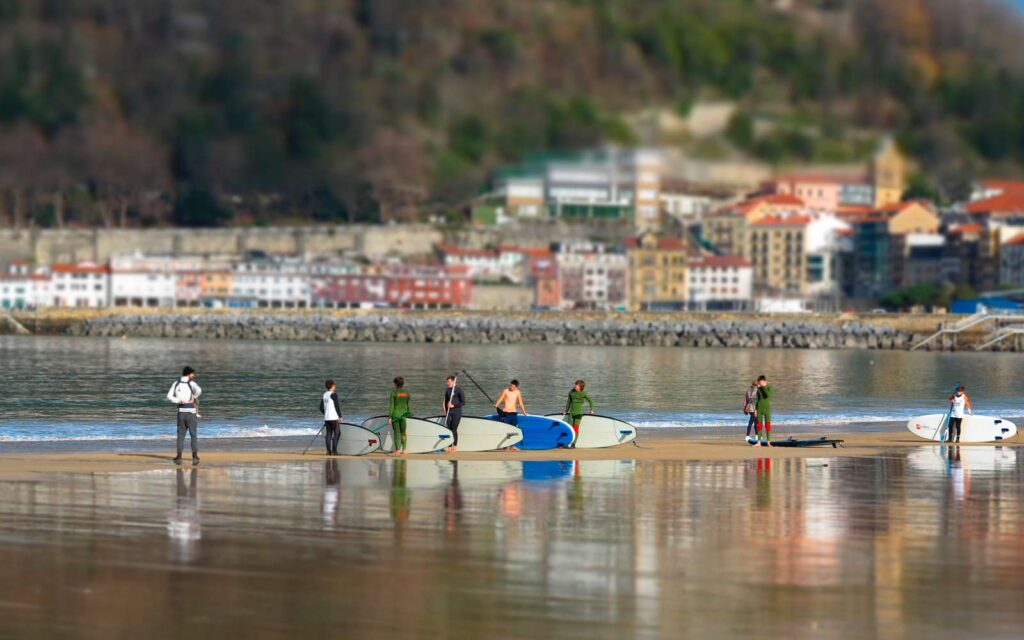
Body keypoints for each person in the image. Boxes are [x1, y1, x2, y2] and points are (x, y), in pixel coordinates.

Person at [167, 366, 202, 464]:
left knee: (180, 435)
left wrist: (178, 400)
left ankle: (179, 457)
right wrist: (194, 396)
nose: (194, 375)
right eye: (193, 374)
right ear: (188, 374)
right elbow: (199, 391)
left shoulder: (176, 383)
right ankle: (195, 456)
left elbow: (169, 396)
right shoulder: (192, 383)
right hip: (191, 412)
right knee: (193, 434)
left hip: (181, 412)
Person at [562, 379, 594, 444]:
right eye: (575, 385)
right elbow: (568, 403)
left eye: (577, 385)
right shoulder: (571, 392)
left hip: (579, 414)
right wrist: (565, 411)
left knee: (575, 429)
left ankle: (573, 444)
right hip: (572, 413)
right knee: (569, 429)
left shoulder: (584, 393)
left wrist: (591, 410)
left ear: (580, 387)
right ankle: (567, 443)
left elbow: (591, 401)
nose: (575, 386)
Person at [388, 377, 412, 455]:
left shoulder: (393, 393)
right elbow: (409, 405)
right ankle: (404, 450)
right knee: (403, 433)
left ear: (396, 384)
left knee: (397, 433)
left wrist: (389, 417)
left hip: (395, 415)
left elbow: (391, 406)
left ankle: (398, 450)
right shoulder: (407, 393)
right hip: (403, 415)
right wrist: (408, 413)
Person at [319, 379, 343, 455]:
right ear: (332, 386)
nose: (335, 386)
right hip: (333, 417)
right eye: (334, 385)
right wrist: (340, 416)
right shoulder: (334, 394)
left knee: (329, 434)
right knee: (337, 433)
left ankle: (328, 451)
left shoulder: (324, 394)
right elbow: (336, 406)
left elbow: (320, 408)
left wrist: (326, 413)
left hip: (327, 418)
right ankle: (334, 451)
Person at [443, 375, 465, 453]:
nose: (447, 383)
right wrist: (445, 410)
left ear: (453, 381)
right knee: (449, 429)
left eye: (449, 382)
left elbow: (463, 402)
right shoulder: (448, 390)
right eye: (447, 382)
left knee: (454, 429)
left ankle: (455, 447)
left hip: (457, 412)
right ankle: (449, 446)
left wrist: (453, 405)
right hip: (449, 412)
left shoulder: (459, 390)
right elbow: (445, 401)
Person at [753, 374, 772, 447]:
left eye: (761, 383)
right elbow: (757, 400)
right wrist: (755, 410)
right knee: (759, 426)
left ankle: (768, 442)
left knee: (767, 426)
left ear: (765, 381)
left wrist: (763, 387)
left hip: (767, 409)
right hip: (760, 409)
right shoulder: (759, 389)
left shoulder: (769, 387)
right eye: (759, 383)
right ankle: (759, 442)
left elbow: (767, 395)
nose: (760, 384)